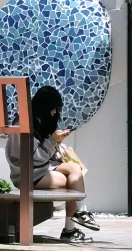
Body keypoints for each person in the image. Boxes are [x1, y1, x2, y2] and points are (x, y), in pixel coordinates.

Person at [6, 86, 96, 242]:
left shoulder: (41, 122)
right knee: (72, 181)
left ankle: (80, 213)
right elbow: (32, 158)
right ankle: (71, 228)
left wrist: (58, 147)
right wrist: (53, 141)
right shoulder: (24, 124)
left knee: (76, 169)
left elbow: (44, 154)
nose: (55, 112)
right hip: (26, 174)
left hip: (41, 170)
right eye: (53, 108)